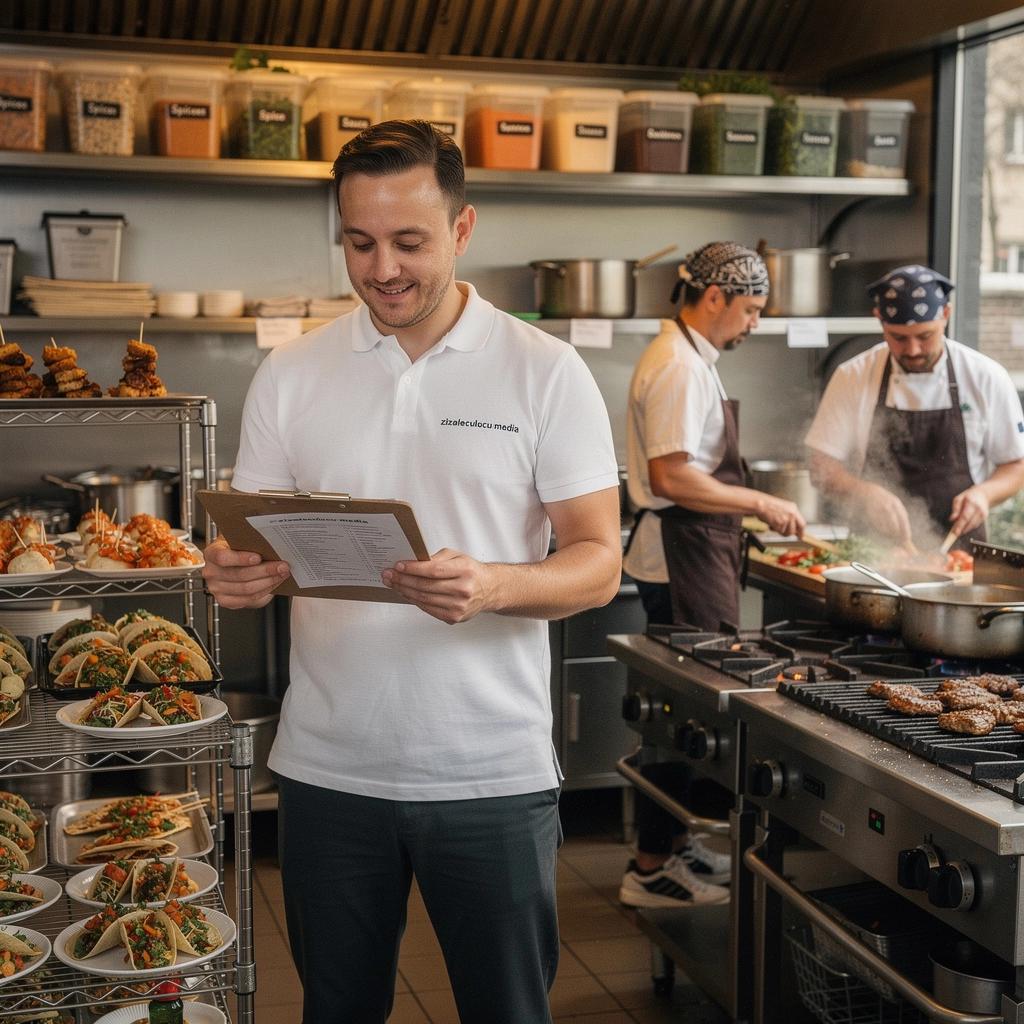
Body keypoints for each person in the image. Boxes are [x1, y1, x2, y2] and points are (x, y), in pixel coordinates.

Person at [202, 119, 622, 1024]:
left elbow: (597, 564)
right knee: (337, 1009)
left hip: (490, 772)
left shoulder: (546, 371)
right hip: (327, 768)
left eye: (409, 241)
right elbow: (253, 538)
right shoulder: (292, 370)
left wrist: (495, 585)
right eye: (359, 243)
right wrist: (237, 574)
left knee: (507, 1011)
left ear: (462, 229)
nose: (383, 268)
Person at [618, 241, 805, 910]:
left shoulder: (692, 358)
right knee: (676, 716)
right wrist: (761, 502)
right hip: (680, 555)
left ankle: (675, 845)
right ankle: (650, 869)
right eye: (750, 309)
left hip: (692, 551)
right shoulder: (678, 365)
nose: (755, 322)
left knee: (686, 713)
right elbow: (672, 477)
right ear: (716, 297)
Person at [805, 264, 1024, 549]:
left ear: (946, 314)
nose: (913, 350)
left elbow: (1016, 464)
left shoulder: (986, 377)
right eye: (898, 338)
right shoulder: (853, 376)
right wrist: (863, 493)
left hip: (960, 552)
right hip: (874, 551)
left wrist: (985, 494)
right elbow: (821, 466)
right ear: (879, 320)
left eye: (925, 336)